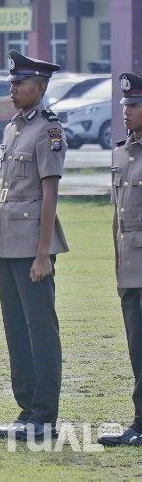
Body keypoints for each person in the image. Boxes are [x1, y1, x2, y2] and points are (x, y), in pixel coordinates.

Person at [0, 50, 68, 441]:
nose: (13, 89)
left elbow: (49, 194)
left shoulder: (48, 130)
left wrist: (42, 253)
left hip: (33, 244)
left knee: (40, 329)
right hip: (7, 240)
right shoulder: (14, 127)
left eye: (20, 83)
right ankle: (26, 409)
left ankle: (44, 414)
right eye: (12, 83)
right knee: (16, 329)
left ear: (41, 87)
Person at [99, 72, 142, 447]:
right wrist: (116, 262)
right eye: (124, 106)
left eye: (134, 105)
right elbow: (118, 214)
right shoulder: (121, 151)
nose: (126, 112)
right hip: (129, 265)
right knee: (137, 346)